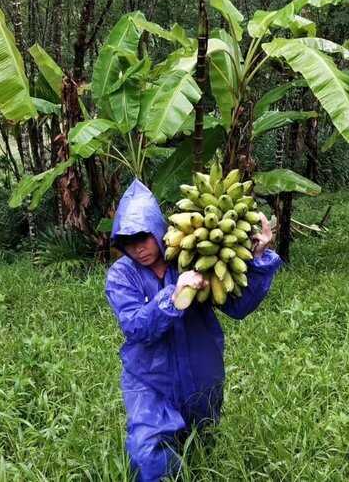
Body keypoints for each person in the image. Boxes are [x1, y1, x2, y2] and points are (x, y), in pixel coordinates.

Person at [105, 179, 282, 481]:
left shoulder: (193, 255)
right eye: (128, 240)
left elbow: (236, 308)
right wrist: (173, 296)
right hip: (150, 379)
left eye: (143, 237)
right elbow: (135, 327)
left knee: (201, 451)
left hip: (202, 372)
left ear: (157, 231)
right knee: (147, 452)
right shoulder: (122, 275)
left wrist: (259, 260)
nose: (138, 248)